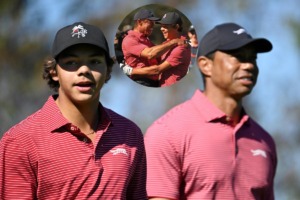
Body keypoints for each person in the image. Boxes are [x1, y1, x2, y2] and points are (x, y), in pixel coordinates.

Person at [0, 22, 147, 199]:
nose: (84, 70)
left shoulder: (130, 134)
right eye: (71, 63)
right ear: (54, 71)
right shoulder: (20, 141)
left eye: (94, 61)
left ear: (107, 70)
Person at [144, 22, 277, 199]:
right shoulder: (167, 132)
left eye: (252, 58)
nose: (249, 66)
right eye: (238, 57)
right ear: (206, 65)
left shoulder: (264, 141)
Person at [122, 12, 191, 87]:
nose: (160, 28)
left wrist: (131, 71)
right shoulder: (130, 39)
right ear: (139, 22)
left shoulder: (181, 47)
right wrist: (174, 41)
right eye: (150, 22)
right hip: (142, 81)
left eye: (165, 26)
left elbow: (157, 69)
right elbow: (150, 54)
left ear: (176, 27)